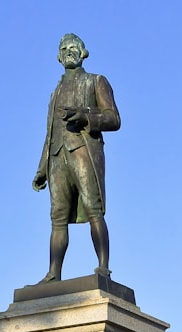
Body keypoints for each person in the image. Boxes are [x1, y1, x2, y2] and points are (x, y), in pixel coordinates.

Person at [32, 33, 120, 283]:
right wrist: (42, 168)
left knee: (94, 209)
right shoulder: (55, 92)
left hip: (83, 152)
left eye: (74, 47)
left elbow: (114, 119)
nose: (69, 51)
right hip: (57, 157)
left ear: (83, 52)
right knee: (57, 217)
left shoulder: (96, 81)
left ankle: (103, 268)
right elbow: (49, 133)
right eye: (64, 48)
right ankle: (53, 273)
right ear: (59, 57)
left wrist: (86, 117)